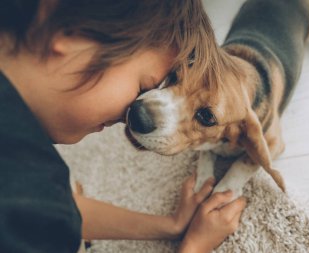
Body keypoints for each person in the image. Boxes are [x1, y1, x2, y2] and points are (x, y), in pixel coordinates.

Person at [0, 0, 247, 253]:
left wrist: (172, 225)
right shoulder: (21, 194)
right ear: (73, 32)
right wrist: (193, 247)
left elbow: (55, 208)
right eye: (143, 87)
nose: (130, 114)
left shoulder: (30, 186)